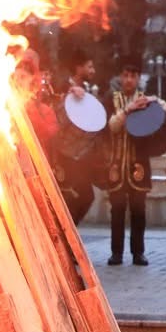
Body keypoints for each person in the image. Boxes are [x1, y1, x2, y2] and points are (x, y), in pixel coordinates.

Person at [101, 59, 166, 266]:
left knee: (139, 210)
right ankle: (117, 253)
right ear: (121, 77)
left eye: (133, 76)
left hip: (139, 163)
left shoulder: (147, 101)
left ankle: (138, 252)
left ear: (139, 78)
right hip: (117, 164)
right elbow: (111, 127)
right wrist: (128, 110)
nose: (129, 80)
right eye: (126, 75)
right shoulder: (111, 99)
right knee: (117, 209)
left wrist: (160, 105)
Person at [52, 51, 100, 224]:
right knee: (67, 197)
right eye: (89, 66)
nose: (92, 70)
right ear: (78, 68)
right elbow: (56, 121)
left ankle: (68, 232)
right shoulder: (64, 88)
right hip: (63, 155)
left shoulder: (87, 92)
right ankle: (62, 232)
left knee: (87, 197)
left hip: (80, 157)